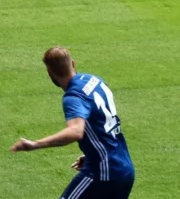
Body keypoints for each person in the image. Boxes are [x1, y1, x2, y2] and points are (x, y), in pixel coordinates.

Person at [10, 47, 135, 199]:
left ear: (49, 73)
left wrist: (36, 144)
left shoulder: (73, 97)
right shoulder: (94, 80)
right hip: (124, 168)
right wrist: (92, 152)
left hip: (103, 173)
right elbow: (102, 119)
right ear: (73, 64)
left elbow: (76, 131)